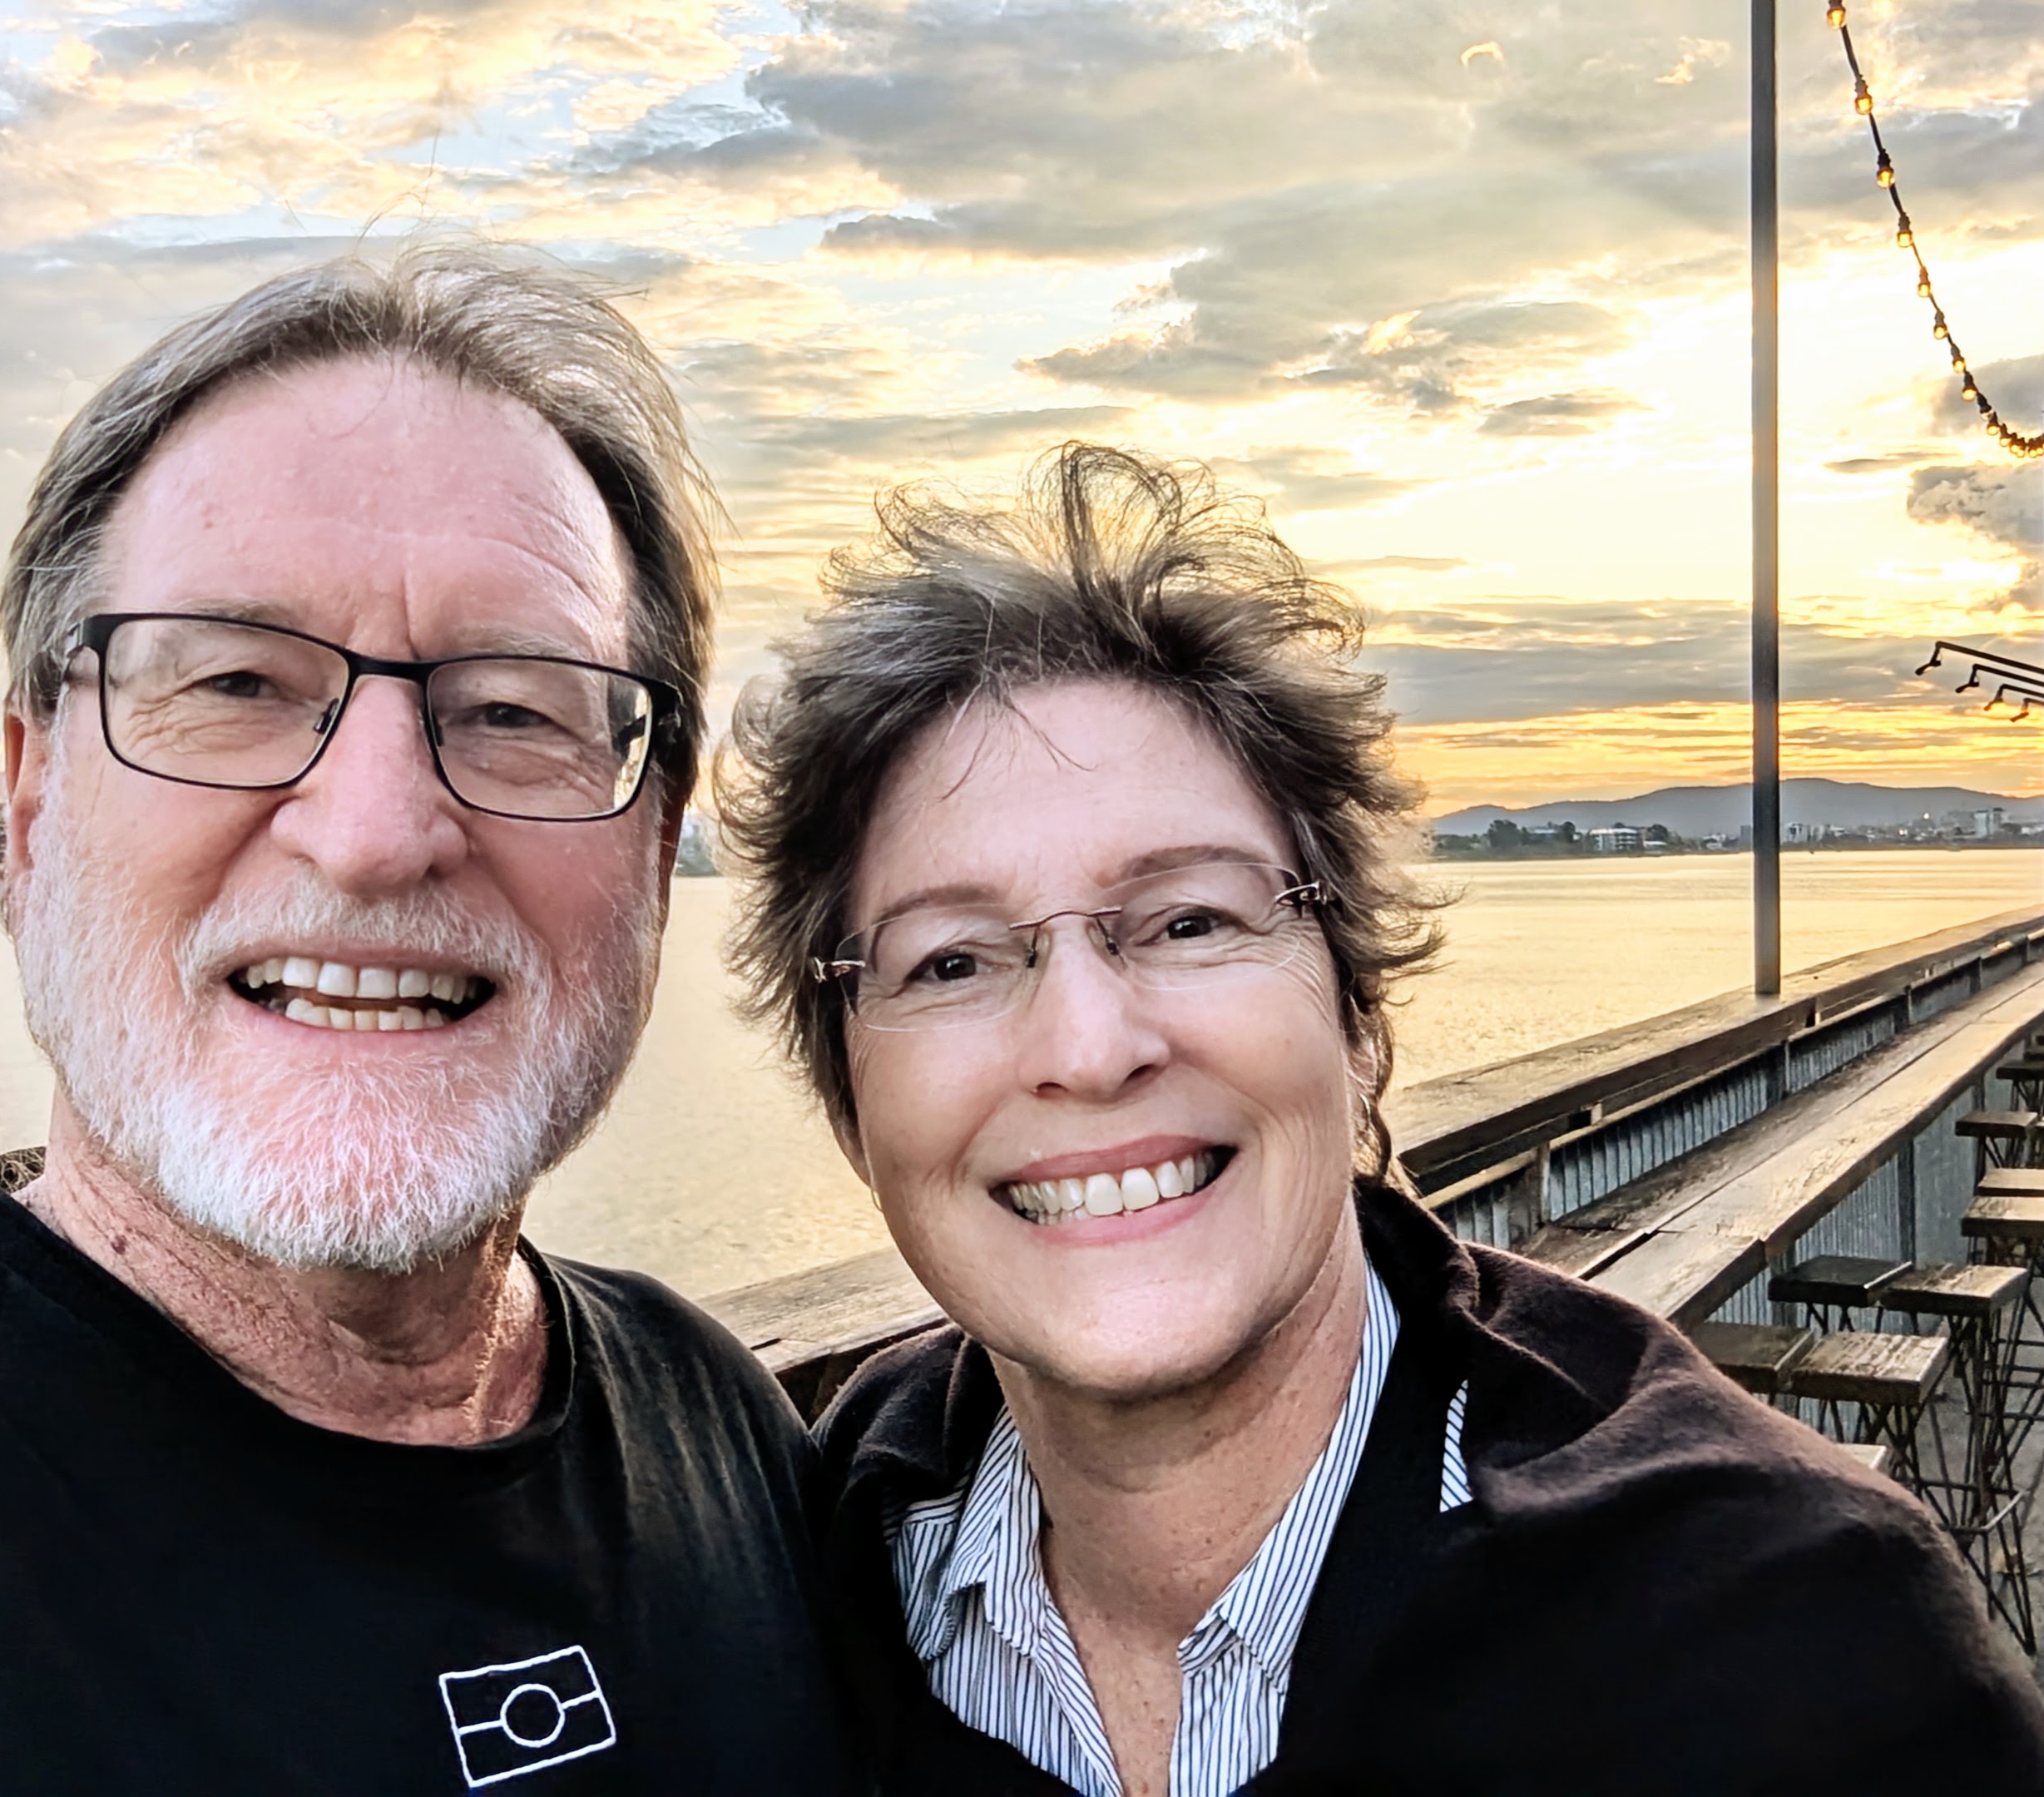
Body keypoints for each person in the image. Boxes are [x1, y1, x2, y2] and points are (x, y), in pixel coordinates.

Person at [0, 246, 868, 1794]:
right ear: (30, 805)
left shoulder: (720, 1429)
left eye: (512, 709)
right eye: (232, 685)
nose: (372, 834)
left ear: (657, 851)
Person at [715, 443, 2044, 1795]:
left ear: (1357, 1022)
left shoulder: (1793, 1652)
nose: (1087, 1047)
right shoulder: (812, 1559)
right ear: (851, 1102)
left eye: (1190, 921)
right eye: (949, 960)